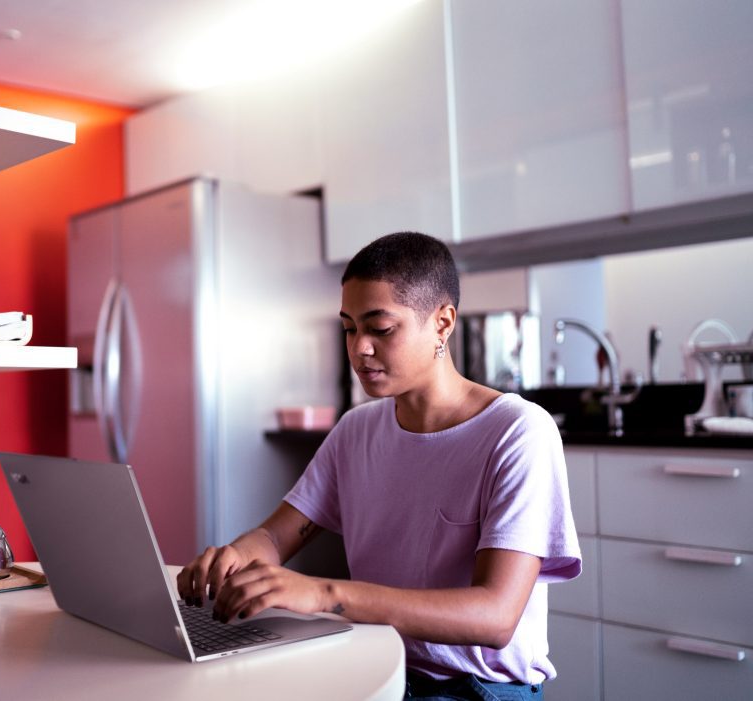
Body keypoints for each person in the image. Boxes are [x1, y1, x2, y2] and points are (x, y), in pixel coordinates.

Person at [177, 232, 581, 700]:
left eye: (380, 328)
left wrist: (325, 595)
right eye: (349, 328)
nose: (359, 348)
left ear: (443, 323)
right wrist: (234, 558)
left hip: (474, 688)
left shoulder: (518, 431)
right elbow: (275, 536)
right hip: (375, 663)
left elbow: (494, 616)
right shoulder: (356, 430)